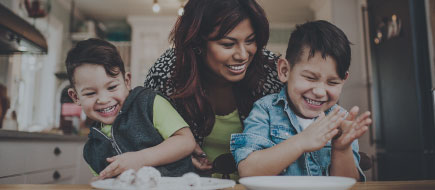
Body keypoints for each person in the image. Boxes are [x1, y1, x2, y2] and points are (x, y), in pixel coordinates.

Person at [144, 0, 283, 176]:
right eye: (228, 44)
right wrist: (176, 151)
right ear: (198, 43)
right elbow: (144, 131)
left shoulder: (270, 71)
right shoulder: (168, 72)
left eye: (250, 41)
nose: (242, 55)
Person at [230, 20, 372, 181]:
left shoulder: (341, 121)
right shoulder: (265, 110)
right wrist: (302, 141)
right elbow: (248, 170)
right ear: (284, 70)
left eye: (332, 82)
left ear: (343, 80)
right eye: (310, 78)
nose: (319, 92)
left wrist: (341, 149)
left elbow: (349, 183)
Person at [65, 38, 196, 179]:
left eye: (112, 87)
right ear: (75, 97)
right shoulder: (91, 151)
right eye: (90, 93)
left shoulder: (149, 103)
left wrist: (140, 158)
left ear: (127, 81)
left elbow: (186, 141)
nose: (103, 99)